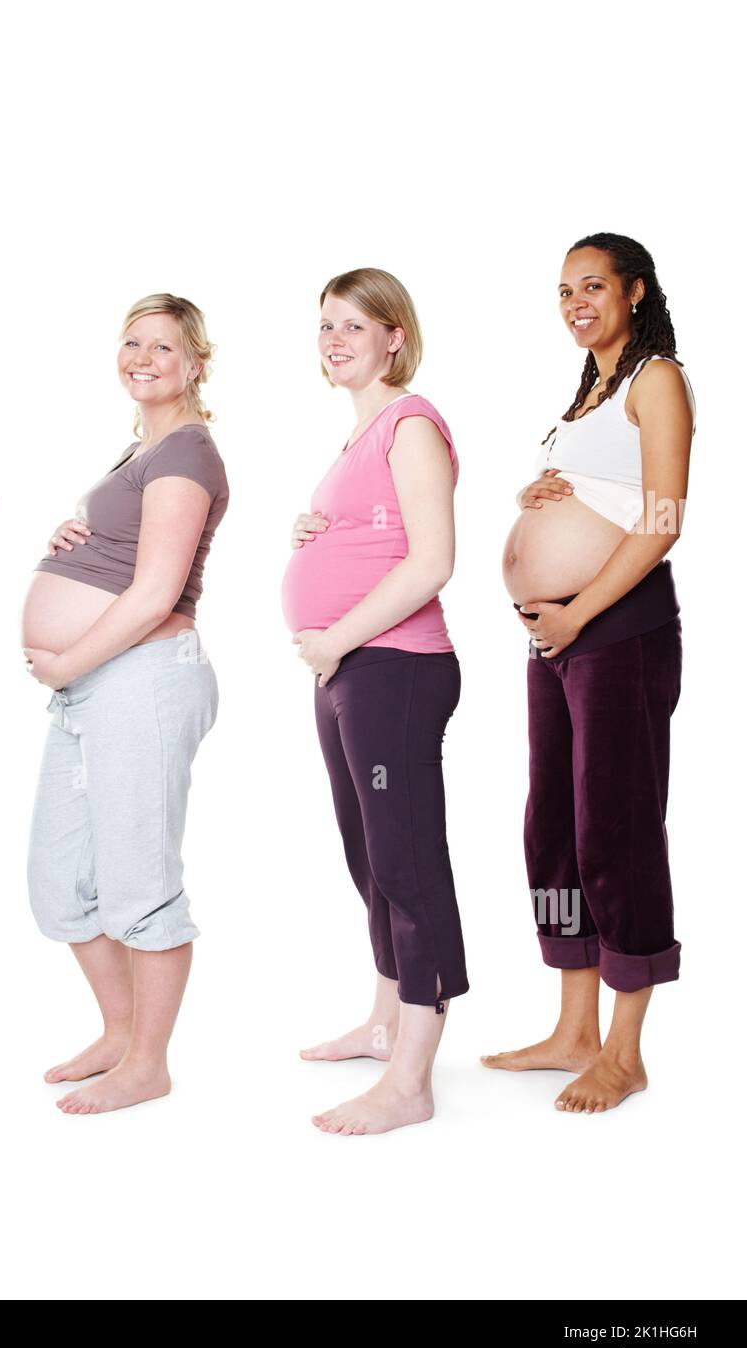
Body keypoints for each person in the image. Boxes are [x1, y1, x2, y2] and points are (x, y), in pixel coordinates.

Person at [484, 232, 695, 1114]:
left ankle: (624, 1048)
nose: (576, 301)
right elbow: (591, 488)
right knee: (555, 828)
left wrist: (578, 609)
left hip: (617, 634)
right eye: (564, 289)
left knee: (616, 828)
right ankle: (571, 1028)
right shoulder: (589, 389)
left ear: (634, 292)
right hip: (558, 641)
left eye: (593, 286)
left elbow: (660, 520)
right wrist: (535, 492)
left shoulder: (658, 380)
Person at [22, 293, 229, 1116]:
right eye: (131, 342)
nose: (141, 357)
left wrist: (66, 655)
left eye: (163, 347)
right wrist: (71, 533)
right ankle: (117, 1032)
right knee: (59, 881)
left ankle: (148, 1061)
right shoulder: (139, 452)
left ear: (195, 366)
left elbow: (153, 594)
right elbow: (121, 555)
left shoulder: (185, 452)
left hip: (141, 680)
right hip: (93, 686)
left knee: (139, 880)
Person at [282, 267, 466, 1136]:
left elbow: (431, 562)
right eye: (325, 325)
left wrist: (335, 634)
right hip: (349, 668)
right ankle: (385, 1017)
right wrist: (312, 533)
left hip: (393, 667)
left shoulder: (410, 423)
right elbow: (372, 533)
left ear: (394, 335)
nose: (335, 339)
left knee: (406, 865)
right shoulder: (357, 436)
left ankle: (410, 1081)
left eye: (354, 325)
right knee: (368, 860)